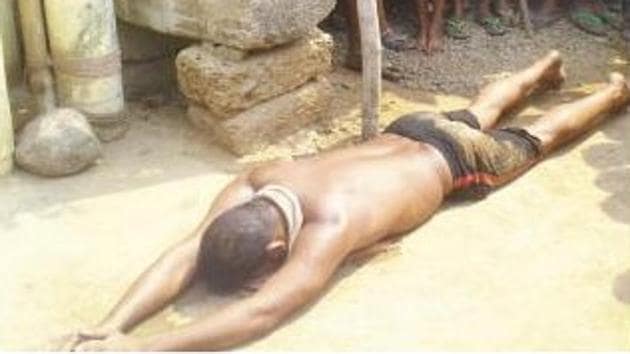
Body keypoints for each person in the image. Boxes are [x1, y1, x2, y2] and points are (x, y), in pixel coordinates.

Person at [61, 51, 630, 351]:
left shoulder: (327, 227)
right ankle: (543, 67)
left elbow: (264, 311)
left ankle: (614, 91)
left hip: (457, 165)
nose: (266, 280)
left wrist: (151, 349)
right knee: (476, 111)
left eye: (264, 269)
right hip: (412, 128)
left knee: (538, 140)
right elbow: (185, 254)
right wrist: (110, 326)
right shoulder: (259, 179)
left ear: (280, 244)